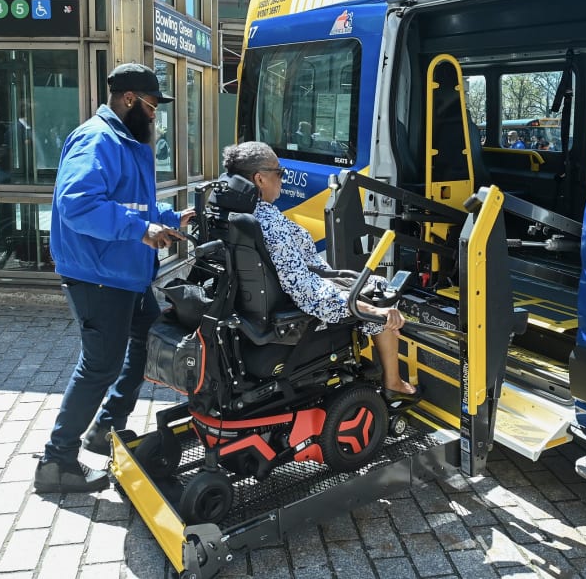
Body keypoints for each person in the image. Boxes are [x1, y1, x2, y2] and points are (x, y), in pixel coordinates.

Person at [34, 63, 194, 495]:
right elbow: (79, 205)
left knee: (150, 339)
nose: (155, 115)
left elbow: (132, 204)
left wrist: (170, 218)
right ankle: (56, 462)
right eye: (152, 106)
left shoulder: (125, 141)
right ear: (129, 100)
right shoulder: (97, 139)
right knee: (99, 366)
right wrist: (140, 231)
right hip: (99, 275)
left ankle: (106, 427)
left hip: (126, 273)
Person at [222, 141, 420, 404]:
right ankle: (393, 382)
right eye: (279, 172)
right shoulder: (269, 225)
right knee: (380, 293)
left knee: (371, 283)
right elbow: (306, 292)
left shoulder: (231, 212)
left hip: (264, 306)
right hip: (294, 315)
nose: (283, 178)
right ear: (259, 179)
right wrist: (371, 310)